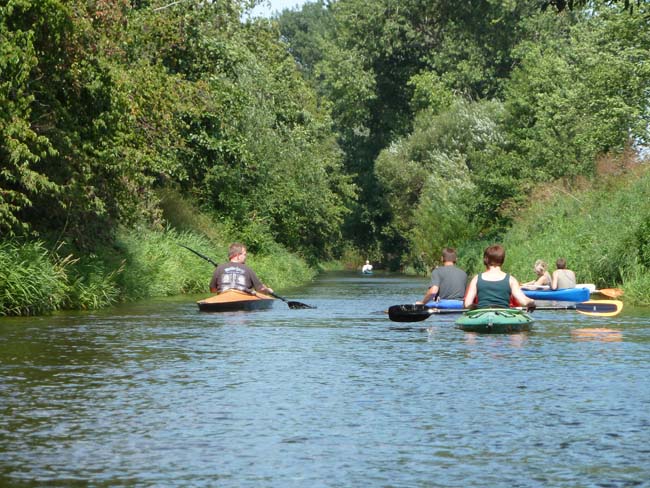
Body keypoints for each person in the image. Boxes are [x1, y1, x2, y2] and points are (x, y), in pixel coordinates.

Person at [464, 244, 535, 311]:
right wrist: (532, 302)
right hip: (504, 315)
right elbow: (523, 301)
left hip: (482, 313)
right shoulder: (511, 279)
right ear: (502, 260)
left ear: (486, 260)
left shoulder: (476, 279)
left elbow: (467, 304)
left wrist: (477, 307)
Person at [209, 243, 273, 295]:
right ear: (237, 256)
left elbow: (212, 290)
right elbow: (260, 289)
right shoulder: (248, 269)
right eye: (244, 254)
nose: (245, 257)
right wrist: (267, 290)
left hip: (222, 299)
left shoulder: (219, 268)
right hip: (242, 300)